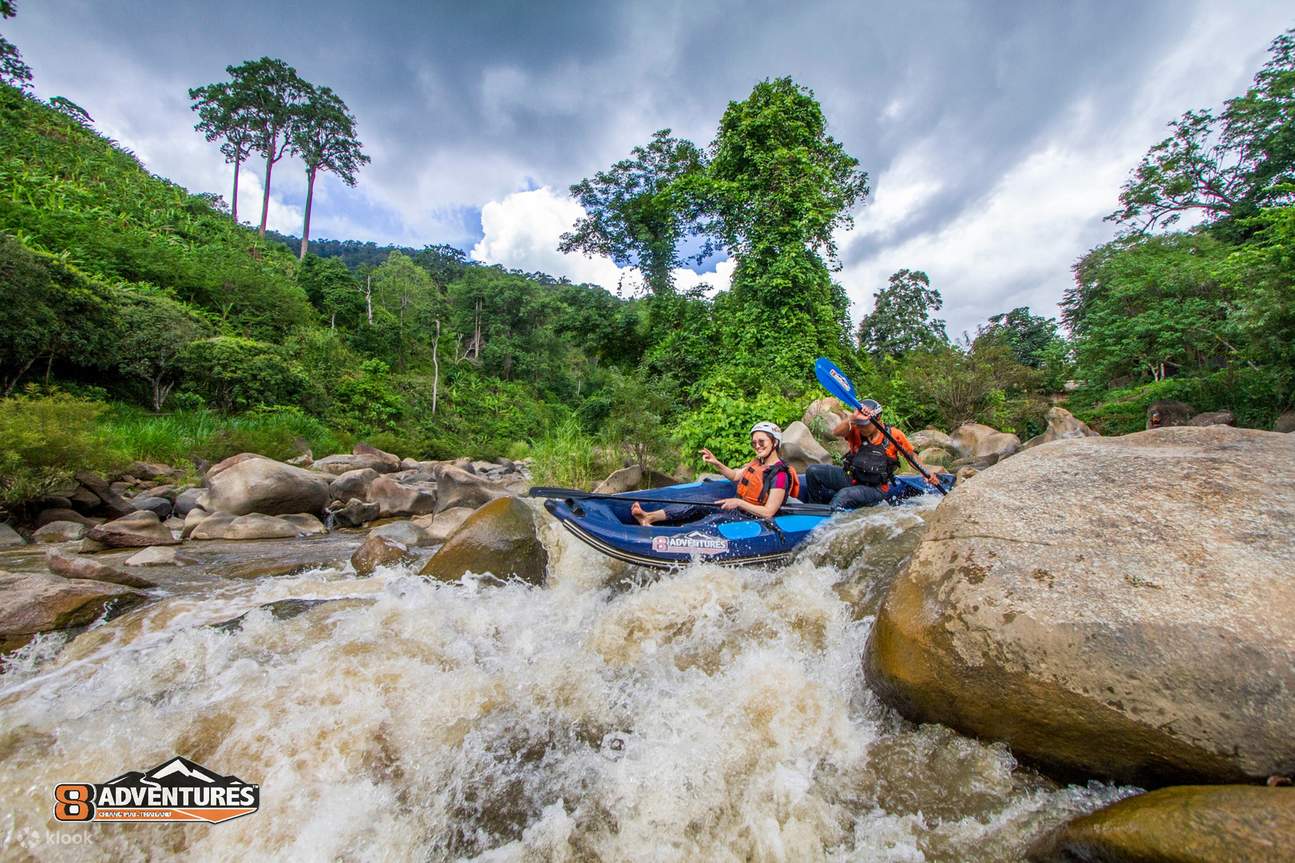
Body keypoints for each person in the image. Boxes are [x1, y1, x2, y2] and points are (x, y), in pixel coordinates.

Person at [632, 421, 800, 526]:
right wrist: (716, 462)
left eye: (761, 441)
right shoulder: (758, 463)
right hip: (739, 511)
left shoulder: (780, 475)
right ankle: (649, 517)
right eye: (754, 442)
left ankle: (667, 532)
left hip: (754, 520)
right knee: (697, 501)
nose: (757, 446)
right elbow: (735, 476)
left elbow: (768, 512)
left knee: (714, 520)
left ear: (775, 442)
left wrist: (738, 503)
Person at [800, 399, 940, 510]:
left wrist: (926, 473)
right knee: (813, 471)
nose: (861, 427)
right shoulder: (855, 429)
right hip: (851, 478)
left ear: (878, 419)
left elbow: (911, 456)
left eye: (864, 424)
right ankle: (814, 509)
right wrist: (852, 418)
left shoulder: (894, 436)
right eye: (859, 423)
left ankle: (826, 518)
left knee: (845, 495)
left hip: (875, 489)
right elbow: (836, 432)